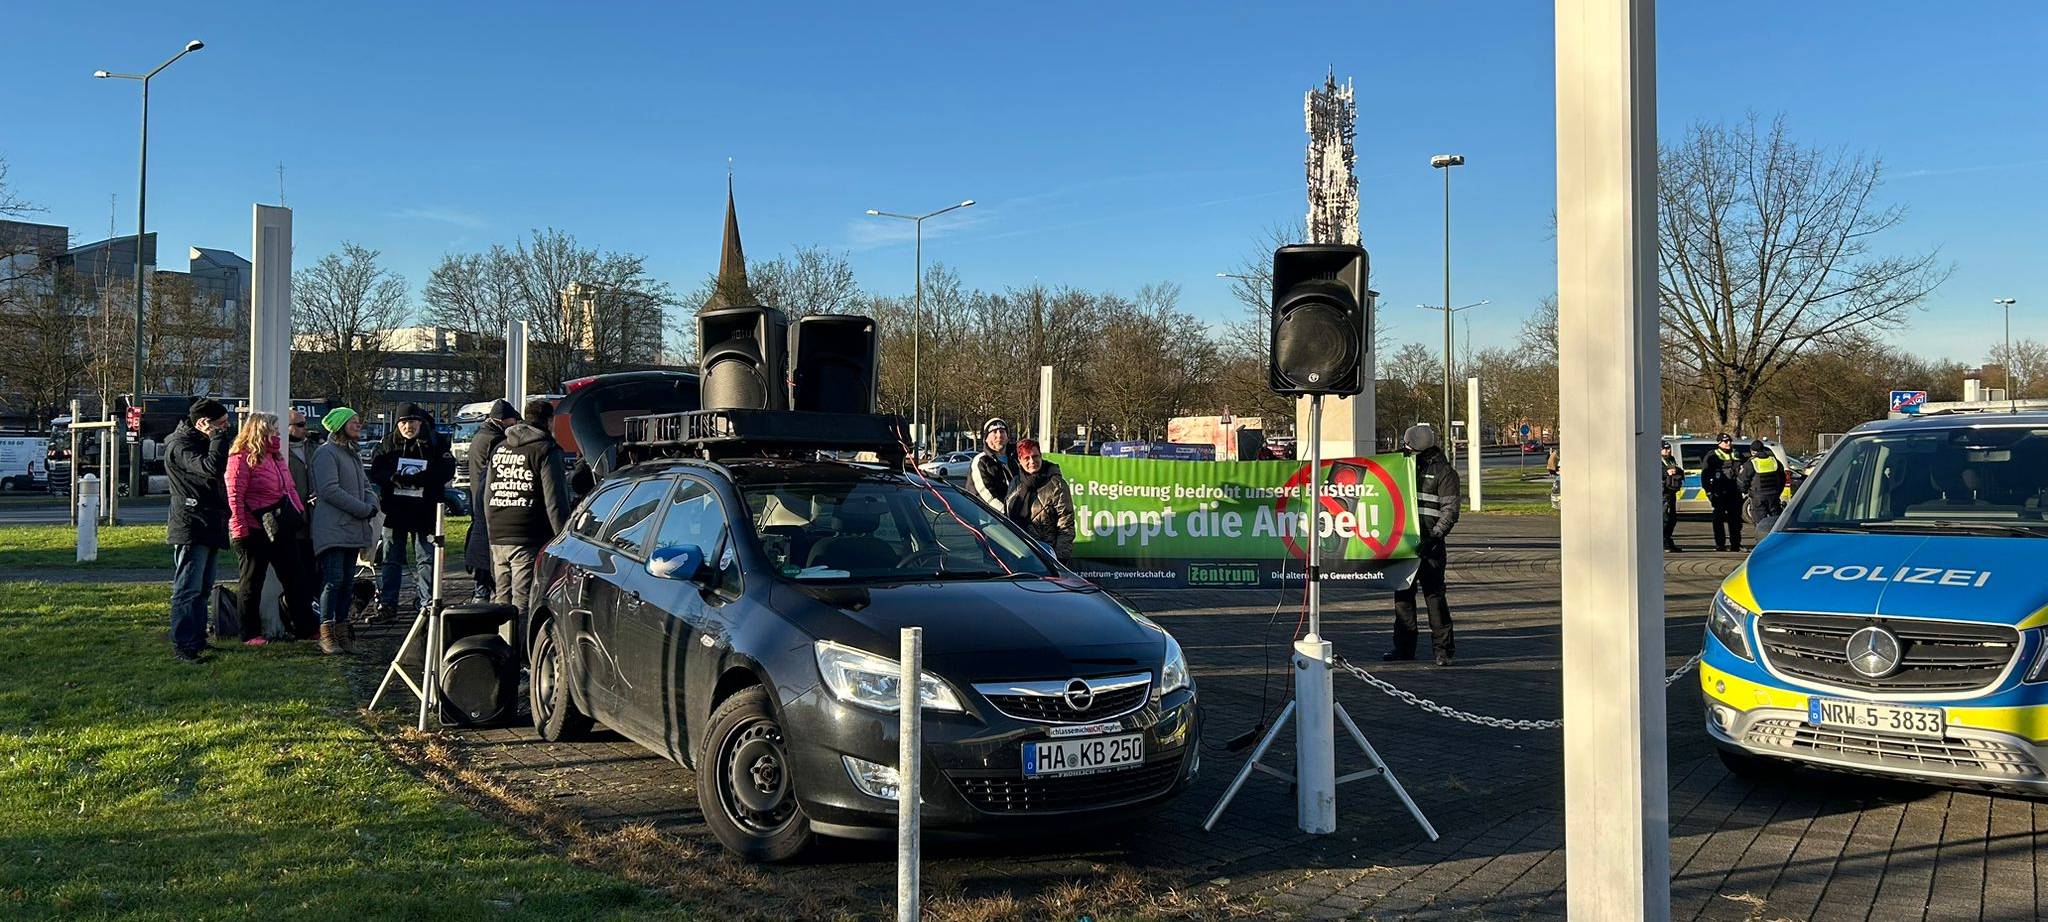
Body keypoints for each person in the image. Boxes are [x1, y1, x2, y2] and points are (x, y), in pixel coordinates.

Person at [223, 412, 318, 647]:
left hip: (281, 527)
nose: (277, 434)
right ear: (260, 431)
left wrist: (296, 512)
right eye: (273, 430)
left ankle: (305, 627)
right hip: (254, 528)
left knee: (296, 578)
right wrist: (240, 529)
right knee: (252, 582)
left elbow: (289, 487)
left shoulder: (276, 457)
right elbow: (234, 496)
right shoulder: (241, 458)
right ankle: (249, 632)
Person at [485, 398, 571, 626]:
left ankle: (499, 651)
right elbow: (555, 500)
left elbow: (488, 493)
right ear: (550, 421)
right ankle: (518, 654)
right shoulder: (545, 449)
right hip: (527, 535)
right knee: (522, 604)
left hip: (498, 532)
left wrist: (490, 528)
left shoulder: (501, 447)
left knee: (501, 601)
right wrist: (563, 539)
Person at [367, 403, 455, 621]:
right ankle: (388, 605)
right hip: (395, 512)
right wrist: (392, 478)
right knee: (390, 559)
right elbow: (376, 469)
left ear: (420, 422)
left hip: (424, 512)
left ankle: (427, 604)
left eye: (412, 422)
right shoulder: (388, 443)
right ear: (397, 424)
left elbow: (447, 469)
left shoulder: (435, 442)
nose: (408, 426)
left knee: (425, 558)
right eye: (403, 422)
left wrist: (423, 478)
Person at [164, 398, 233, 664]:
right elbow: (211, 468)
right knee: (188, 588)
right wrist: (217, 438)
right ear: (204, 423)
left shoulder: (199, 442)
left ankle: (197, 638)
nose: (225, 429)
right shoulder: (180, 445)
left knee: (203, 587)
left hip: (209, 522)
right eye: (221, 424)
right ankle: (183, 643)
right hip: (191, 524)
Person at [1386, 425, 1459, 667]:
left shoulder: (1444, 472)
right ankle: (1404, 649)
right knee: (1402, 598)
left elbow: (1450, 511)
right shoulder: (1401, 467)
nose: (1404, 449)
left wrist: (1434, 537)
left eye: (1408, 445)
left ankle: (1443, 650)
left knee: (1434, 597)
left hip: (1431, 546)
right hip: (1404, 544)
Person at [311, 407, 377, 654]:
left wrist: (372, 503)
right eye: (354, 421)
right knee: (333, 580)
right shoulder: (325, 453)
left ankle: (342, 629)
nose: (359, 425)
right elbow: (329, 490)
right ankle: (326, 632)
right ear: (340, 425)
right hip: (334, 528)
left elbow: (366, 485)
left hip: (352, 529)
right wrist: (362, 509)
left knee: (347, 583)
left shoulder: (353, 454)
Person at [463, 400, 520, 602]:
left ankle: (480, 591)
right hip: (489, 499)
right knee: (487, 549)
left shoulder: (480, 436)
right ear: (505, 420)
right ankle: (484, 592)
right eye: (514, 421)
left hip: (476, 495)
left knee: (479, 541)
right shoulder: (496, 439)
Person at [1005, 438, 1075, 562]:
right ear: (1020, 461)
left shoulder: (1056, 484)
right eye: (1027, 458)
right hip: (1018, 555)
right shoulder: (1015, 483)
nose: (1032, 461)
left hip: (1047, 556)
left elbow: (1066, 525)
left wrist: (1059, 560)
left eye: (1035, 456)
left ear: (1041, 456)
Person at [1701, 433, 1745, 551]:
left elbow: (1744, 471)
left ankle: (1735, 544)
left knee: (1735, 520)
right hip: (1719, 492)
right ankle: (1720, 544)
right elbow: (1705, 475)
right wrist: (1709, 492)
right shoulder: (1712, 456)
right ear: (1719, 443)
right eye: (1725, 442)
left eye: (1730, 441)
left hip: (1734, 492)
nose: (1728, 443)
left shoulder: (1737, 454)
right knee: (1718, 520)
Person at [967, 417, 1017, 510]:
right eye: (994, 432)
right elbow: (986, 494)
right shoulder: (981, 461)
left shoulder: (1018, 458)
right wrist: (1006, 514)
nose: (999, 435)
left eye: (1002, 431)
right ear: (986, 438)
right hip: (992, 518)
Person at [1738, 439, 1786, 527]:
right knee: (1775, 524)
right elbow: (1783, 478)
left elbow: (1742, 481)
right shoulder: (1774, 461)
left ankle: (1763, 539)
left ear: (1752, 451)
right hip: (1774, 496)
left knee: (1761, 525)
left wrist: (1745, 491)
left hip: (1758, 497)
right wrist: (1778, 492)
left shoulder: (1751, 463)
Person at [1659, 441, 1686, 553]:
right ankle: (1663, 541)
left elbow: (1679, 470)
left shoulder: (1671, 459)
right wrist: (1666, 472)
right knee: (1665, 518)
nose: (1668, 451)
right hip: (1663, 493)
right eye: (1665, 449)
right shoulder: (1656, 460)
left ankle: (1668, 539)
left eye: (1669, 448)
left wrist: (1676, 471)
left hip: (1671, 492)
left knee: (1672, 519)